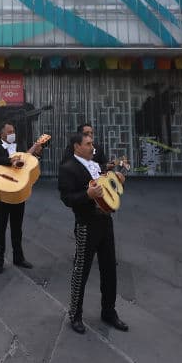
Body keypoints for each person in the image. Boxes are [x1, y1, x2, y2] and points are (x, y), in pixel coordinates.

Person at [57, 132, 129, 335]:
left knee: (109, 269)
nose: (92, 146)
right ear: (76, 147)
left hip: (106, 222)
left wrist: (117, 182)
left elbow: (107, 190)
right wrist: (86, 195)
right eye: (88, 144)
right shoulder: (68, 168)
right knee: (81, 270)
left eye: (92, 143)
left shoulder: (97, 164)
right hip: (86, 224)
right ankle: (75, 314)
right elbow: (66, 198)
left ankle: (109, 311)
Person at [0, 121, 45, 273]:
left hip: (18, 190)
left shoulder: (20, 147)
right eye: (9, 132)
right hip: (2, 192)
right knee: (0, 229)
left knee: (17, 228)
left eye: (13, 131)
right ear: (2, 134)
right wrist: (9, 161)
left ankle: (18, 257)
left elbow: (27, 162)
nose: (12, 134)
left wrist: (37, 151)